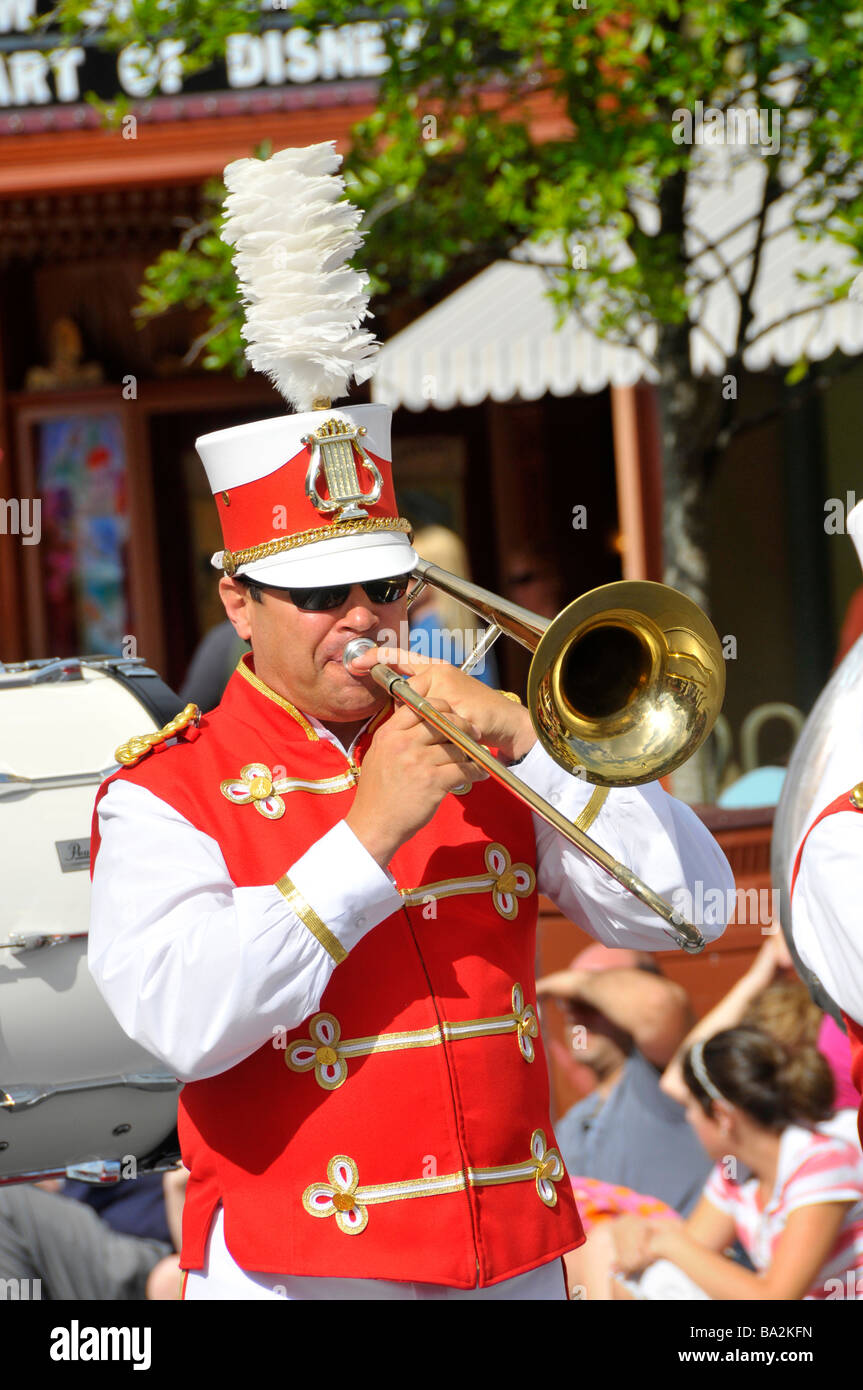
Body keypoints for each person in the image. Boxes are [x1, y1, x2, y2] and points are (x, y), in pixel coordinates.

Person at [87, 141, 734, 1301]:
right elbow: (187, 1024)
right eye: (323, 596)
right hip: (303, 1276)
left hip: (519, 1264)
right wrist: (364, 837)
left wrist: (543, 739)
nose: (366, 620)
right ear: (237, 599)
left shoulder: (484, 740)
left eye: (387, 588)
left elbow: (688, 910)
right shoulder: (163, 792)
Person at [609, 1027, 863, 1300]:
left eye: (692, 1107)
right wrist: (634, 1230)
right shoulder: (735, 1169)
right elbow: (694, 1248)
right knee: (651, 1279)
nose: (690, 1119)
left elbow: (776, 1297)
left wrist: (667, 1242)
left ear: (721, 1115)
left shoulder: (822, 1162)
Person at [536, 947, 711, 1217]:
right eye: (567, 1002)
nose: (573, 1014)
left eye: (590, 1001)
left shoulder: (665, 1082)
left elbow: (659, 1006)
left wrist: (545, 987)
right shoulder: (570, 1125)